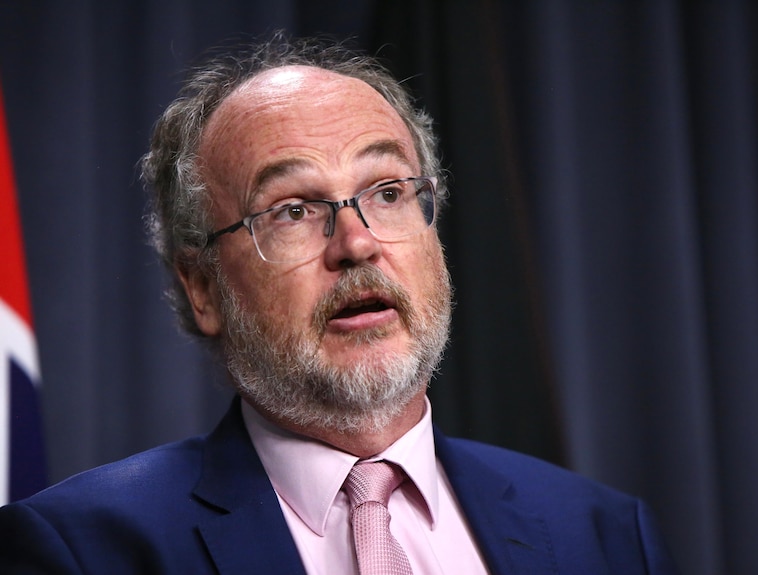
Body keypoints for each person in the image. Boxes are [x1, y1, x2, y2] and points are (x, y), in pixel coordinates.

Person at [0, 33, 680, 574]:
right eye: (293, 209)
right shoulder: (83, 550)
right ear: (201, 286)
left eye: (387, 192)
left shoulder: (605, 535)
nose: (356, 243)